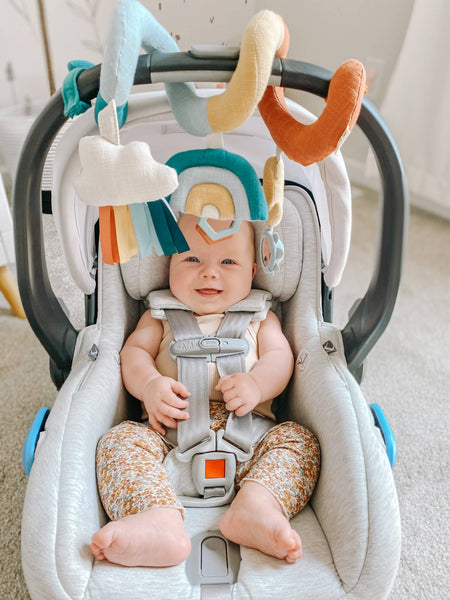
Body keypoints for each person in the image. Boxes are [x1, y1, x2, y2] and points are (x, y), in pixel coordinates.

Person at [90, 213, 320, 568]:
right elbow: (133, 354)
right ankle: (155, 517)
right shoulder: (158, 315)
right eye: (192, 259)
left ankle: (257, 506)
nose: (210, 272)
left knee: (300, 442)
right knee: (118, 441)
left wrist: (256, 384)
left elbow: (280, 358)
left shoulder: (261, 317)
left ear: (252, 273)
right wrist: (150, 385)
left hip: (251, 442)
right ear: (169, 267)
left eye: (228, 262)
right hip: (167, 440)